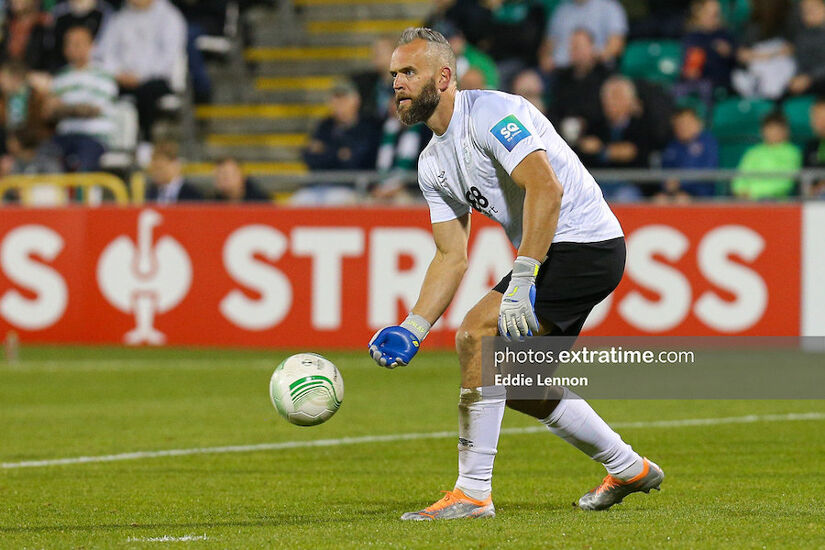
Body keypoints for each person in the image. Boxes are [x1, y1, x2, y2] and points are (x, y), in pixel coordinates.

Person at [369, 27, 663, 520]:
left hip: (584, 244)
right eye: (394, 73)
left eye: (408, 72)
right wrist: (412, 327)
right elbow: (450, 255)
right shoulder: (431, 164)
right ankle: (628, 467)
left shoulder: (492, 114)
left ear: (443, 78)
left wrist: (523, 280)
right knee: (520, 385)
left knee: (476, 336)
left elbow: (546, 189)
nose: (396, 82)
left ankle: (473, 492)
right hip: (558, 251)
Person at [94, 0, 186, 139]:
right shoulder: (119, 17)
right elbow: (104, 52)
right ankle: (106, 141)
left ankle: (146, 143)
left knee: (146, 93)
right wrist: (118, 73)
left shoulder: (169, 16)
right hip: (121, 79)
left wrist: (140, 76)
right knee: (101, 90)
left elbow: (170, 56)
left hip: (155, 79)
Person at [295, 79, 380, 205]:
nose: (339, 104)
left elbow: (355, 161)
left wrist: (325, 151)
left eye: (344, 99)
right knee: (298, 201)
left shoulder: (367, 126)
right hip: (319, 186)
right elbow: (309, 158)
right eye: (335, 98)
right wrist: (338, 154)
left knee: (338, 201)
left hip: (352, 187)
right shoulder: (325, 125)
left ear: (356, 100)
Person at [49, 25, 117, 172]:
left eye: (78, 43)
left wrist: (64, 109)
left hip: (94, 138)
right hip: (64, 137)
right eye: (69, 43)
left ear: (91, 46)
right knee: (45, 162)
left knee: (82, 169)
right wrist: (76, 109)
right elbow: (50, 111)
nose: (73, 48)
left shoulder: (103, 74)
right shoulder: (60, 77)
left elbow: (92, 110)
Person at [548, 28, 612, 142]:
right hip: (564, 136)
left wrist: (584, 123)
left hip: (597, 136)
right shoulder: (561, 77)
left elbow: (608, 111)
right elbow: (554, 109)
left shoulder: (606, 76)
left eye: (578, 47)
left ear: (591, 48)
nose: (574, 51)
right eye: (572, 47)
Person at [538, 0, 628, 73]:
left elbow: (616, 44)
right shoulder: (561, 10)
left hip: (595, 68)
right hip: (560, 70)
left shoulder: (609, 6)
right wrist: (546, 60)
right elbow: (548, 45)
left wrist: (595, 57)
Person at [732, 111, 801, 199]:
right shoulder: (753, 152)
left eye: (777, 128)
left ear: (786, 130)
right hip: (747, 201)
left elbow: (786, 182)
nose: (773, 132)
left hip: (777, 203)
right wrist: (741, 191)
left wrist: (753, 192)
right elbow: (739, 178)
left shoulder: (792, 152)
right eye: (770, 128)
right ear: (762, 131)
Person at [658, 107, 719, 200]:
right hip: (674, 192)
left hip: (700, 193)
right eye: (679, 124)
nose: (683, 127)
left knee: (681, 200)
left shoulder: (708, 142)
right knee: (659, 200)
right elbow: (663, 170)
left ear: (698, 123)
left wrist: (681, 182)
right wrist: (667, 184)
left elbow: (708, 170)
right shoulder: (672, 146)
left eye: (686, 123)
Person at [49, 0, 113, 71]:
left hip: (98, 66)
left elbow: (107, 48)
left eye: (80, 42)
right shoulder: (58, 12)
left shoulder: (105, 11)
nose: (77, 47)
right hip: (64, 68)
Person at [788, 0, 825, 96]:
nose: (808, 13)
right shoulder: (802, 35)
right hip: (809, 82)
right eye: (804, 10)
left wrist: (809, 77)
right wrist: (799, 77)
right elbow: (801, 62)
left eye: (813, 8)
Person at [803, 97, 825, 196]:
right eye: (815, 117)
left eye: (823, 118)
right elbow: (805, 180)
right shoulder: (810, 146)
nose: (819, 123)